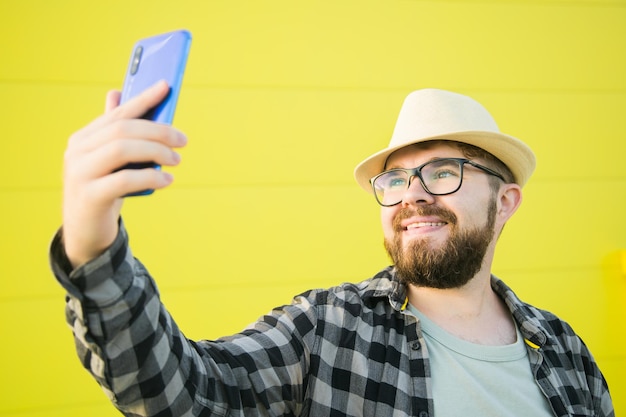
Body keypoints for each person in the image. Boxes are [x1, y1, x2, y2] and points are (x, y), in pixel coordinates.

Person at [50, 83, 614, 417]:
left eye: (444, 171)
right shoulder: (327, 329)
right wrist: (92, 240)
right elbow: (182, 392)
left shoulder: (565, 352)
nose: (412, 196)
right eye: (395, 180)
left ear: (506, 201)